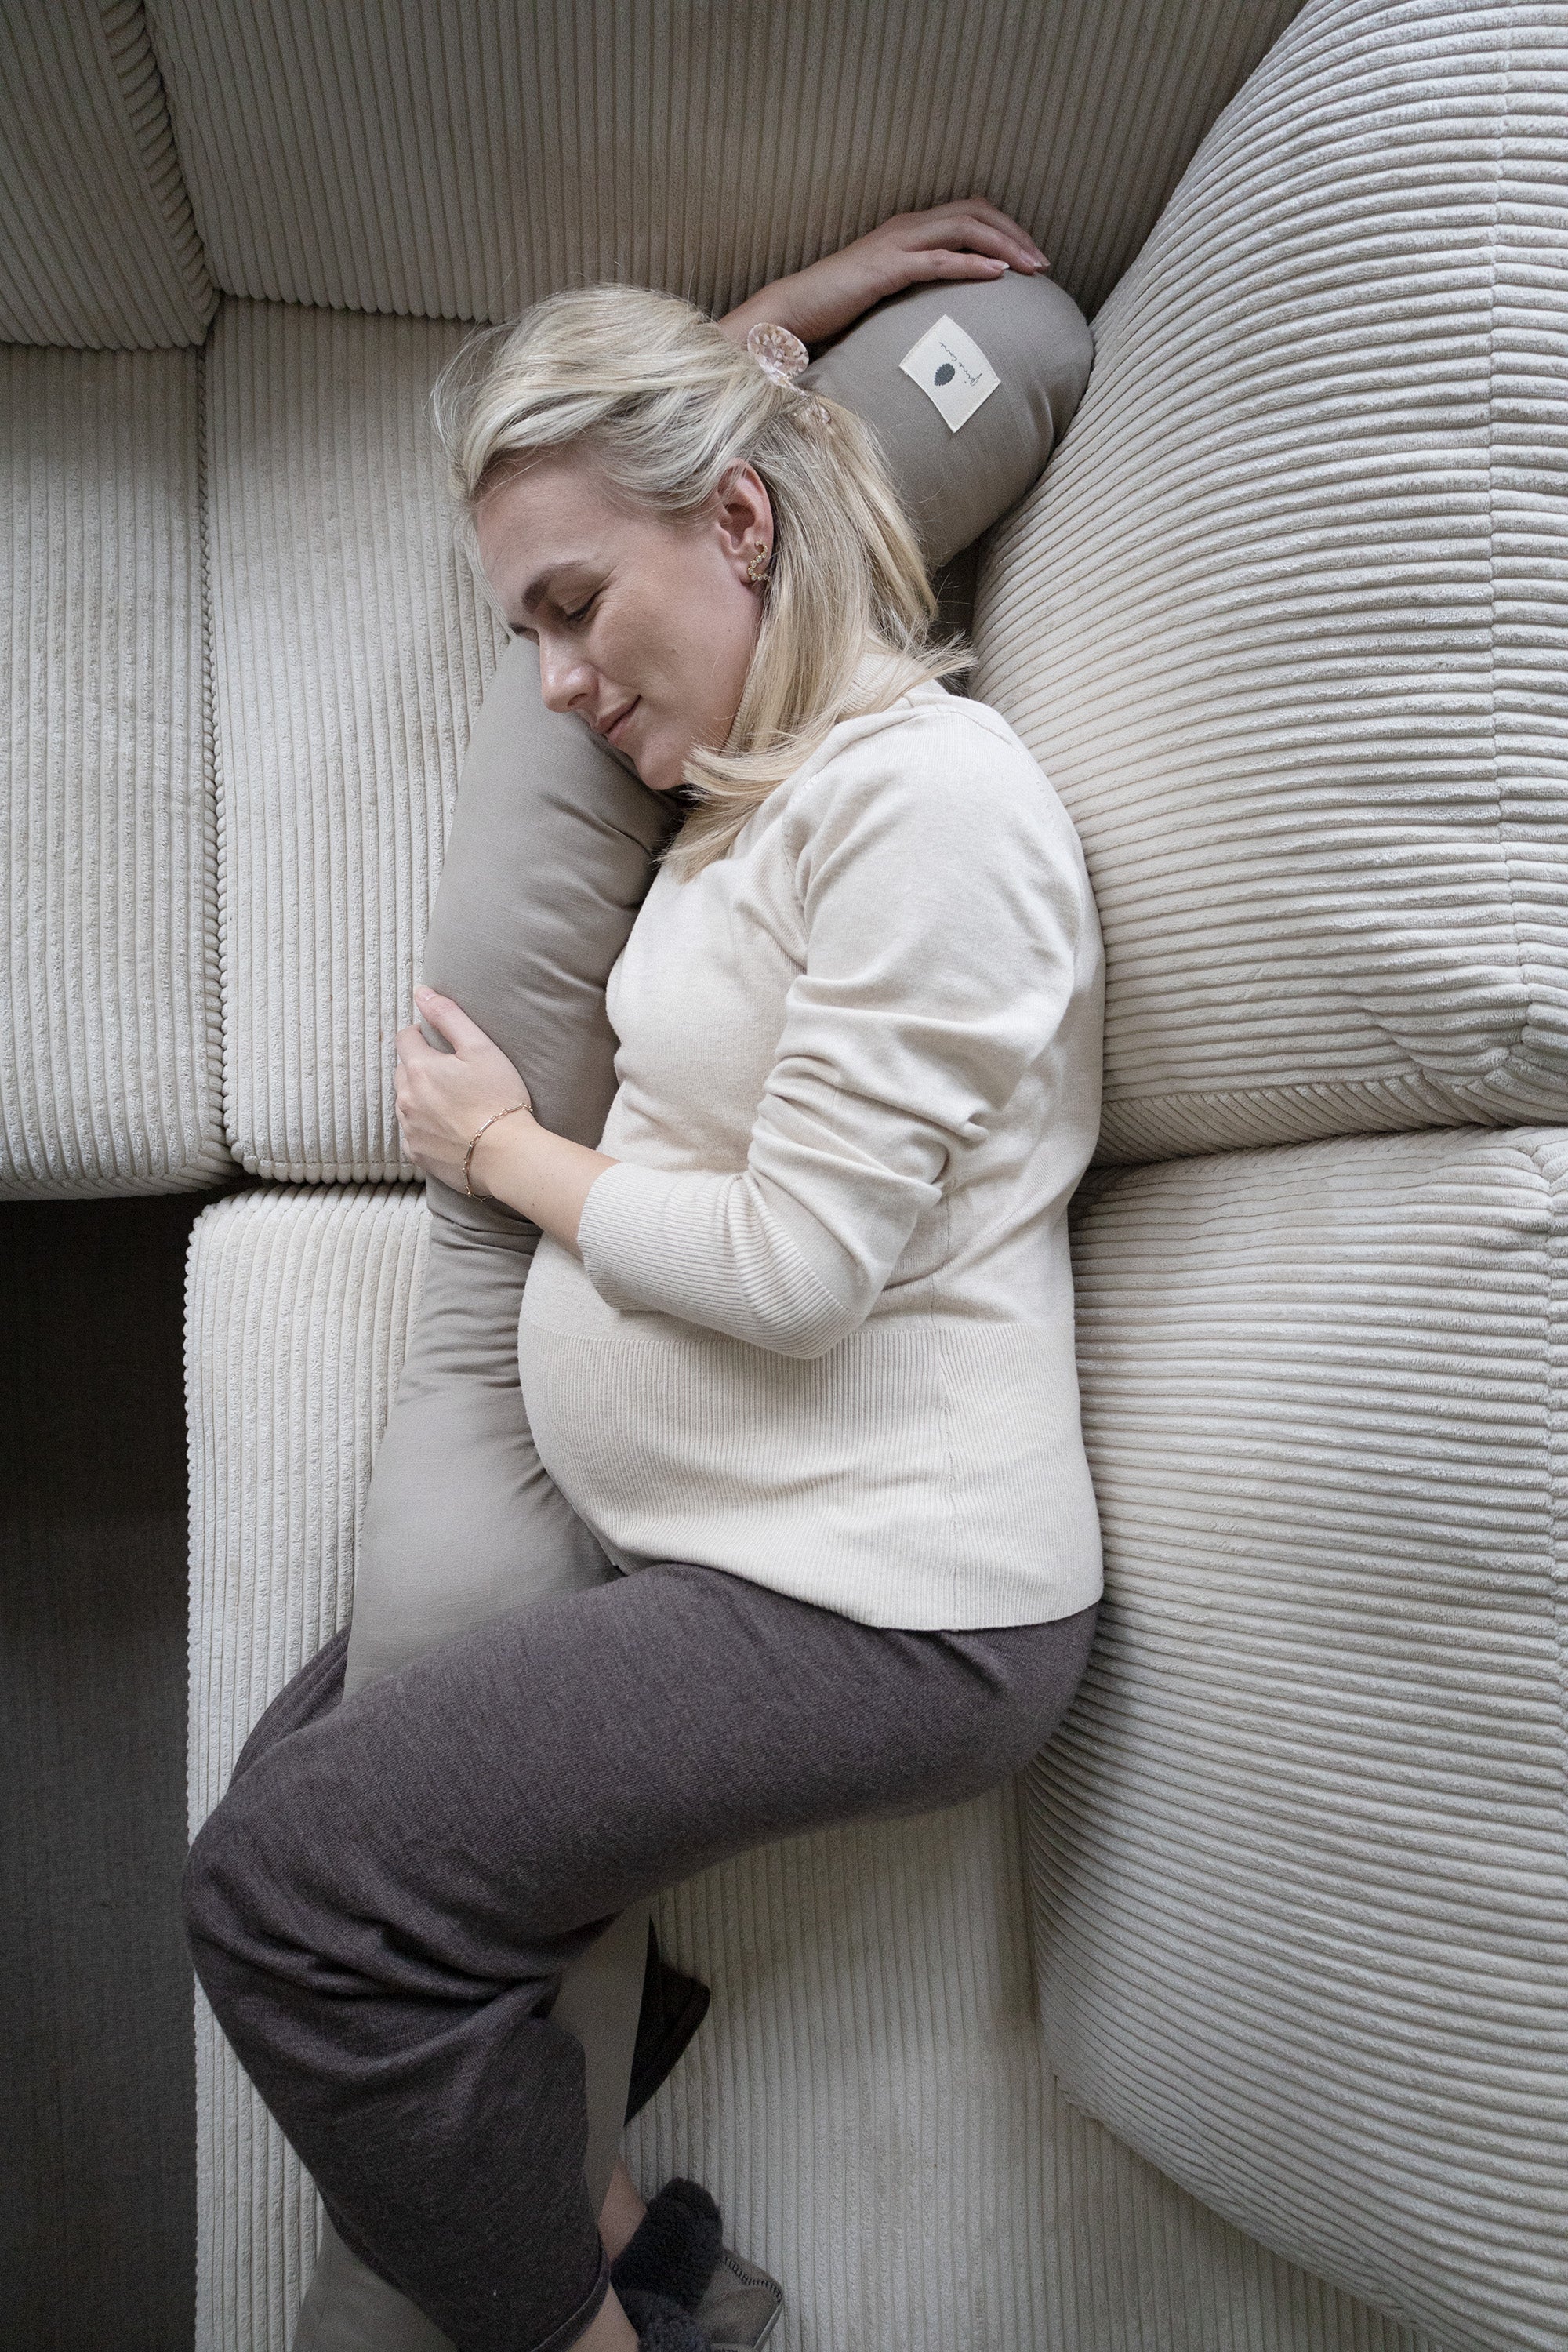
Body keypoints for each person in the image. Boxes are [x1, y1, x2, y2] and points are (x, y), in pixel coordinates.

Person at [183, 201, 1107, 2352]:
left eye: (578, 611)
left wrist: (508, 1154)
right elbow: (630, 542)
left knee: (287, 1903)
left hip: (896, 1610)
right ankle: (631, 2256)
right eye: (531, 629)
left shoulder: (932, 809)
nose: (558, 683)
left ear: (747, 525)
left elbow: (793, 1271)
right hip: (731, 1552)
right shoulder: (738, 796)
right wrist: (778, 321)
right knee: (293, 1811)